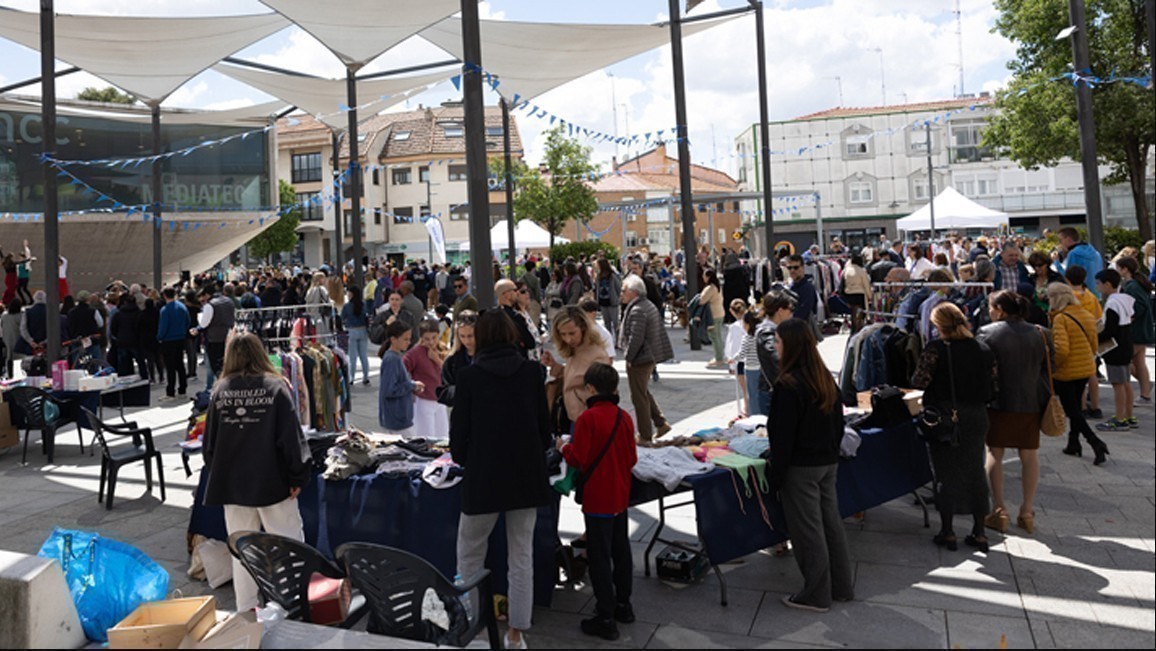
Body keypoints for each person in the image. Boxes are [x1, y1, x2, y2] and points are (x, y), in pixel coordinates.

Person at [450, 310, 552, 651]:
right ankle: (516, 635)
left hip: (483, 478)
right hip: (525, 477)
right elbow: (544, 430)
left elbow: (458, 440)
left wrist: (473, 459)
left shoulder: (469, 377)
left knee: (469, 557)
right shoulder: (532, 373)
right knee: (521, 557)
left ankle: (476, 630)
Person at [202, 332, 313, 613]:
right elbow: (290, 439)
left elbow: (209, 444)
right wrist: (298, 475)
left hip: (233, 484)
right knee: (288, 546)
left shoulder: (220, 389)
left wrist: (219, 471)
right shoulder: (275, 387)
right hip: (273, 481)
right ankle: (291, 603)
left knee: (242, 551)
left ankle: (246, 610)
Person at [768, 318, 854, 612]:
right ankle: (841, 586)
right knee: (830, 524)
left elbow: (782, 436)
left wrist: (776, 474)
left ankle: (816, 594)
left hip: (802, 467)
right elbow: (838, 423)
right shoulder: (822, 377)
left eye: (778, 342)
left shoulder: (789, 384)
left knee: (808, 531)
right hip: (827, 461)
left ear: (790, 345)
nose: (774, 347)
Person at [558, 363, 637, 641]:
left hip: (597, 498)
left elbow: (579, 458)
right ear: (615, 388)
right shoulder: (624, 417)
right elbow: (632, 458)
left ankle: (605, 616)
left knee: (600, 557)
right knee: (621, 550)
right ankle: (623, 606)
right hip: (620, 495)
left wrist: (563, 447)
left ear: (589, 389)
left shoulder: (587, 419)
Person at [912, 303, 998, 553]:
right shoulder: (983, 349)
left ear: (938, 325)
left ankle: (948, 531)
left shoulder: (937, 349)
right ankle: (979, 532)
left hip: (946, 416)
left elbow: (919, 380)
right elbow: (994, 387)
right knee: (975, 470)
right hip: (977, 416)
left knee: (946, 473)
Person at [977, 290, 1050, 535]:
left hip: (998, 402)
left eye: (990, 307)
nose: (988, 312)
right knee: (1029, 455)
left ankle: (999, 509)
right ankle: (1027, 512)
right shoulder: (1041, 333)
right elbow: (1053, 365)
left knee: (994, 453)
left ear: (999, 309)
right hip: (1031, 402)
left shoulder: (988, 333)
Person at [1045, 283, 1109, 464]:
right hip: (1085, 368)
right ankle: (1073, 443)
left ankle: (1095, 442)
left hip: (1067, 371)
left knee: (1072, 410)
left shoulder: (1060, 318)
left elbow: (1062, 350)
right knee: (1075, 407)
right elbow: (1094, 345)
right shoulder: (1086, 315)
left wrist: (1053, 364)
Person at [618, 275, 674, 442]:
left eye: (623, 290)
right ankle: (661, 423)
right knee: (643, 392)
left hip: (640, 359)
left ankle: (645, 435)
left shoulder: (637, 310)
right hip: (647, 357)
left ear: (633, 292)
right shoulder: (645, 305)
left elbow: (636, 338)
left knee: (638, 397)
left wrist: (628, 357)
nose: (621, 293)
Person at [542, 306, 612, 426]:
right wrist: (555, 366)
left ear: (583, 328)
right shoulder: (574, 350)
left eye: (572, 333)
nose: (568, 339)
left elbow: (605, 394)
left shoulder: (597, 356)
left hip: (588, 420)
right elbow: (574, 376)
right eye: (563, 334)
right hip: (574, 417)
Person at [1094, 269, 1135, 432]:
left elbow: (1110, 330)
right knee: (1126, 383)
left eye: (1098, 283)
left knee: (1118, 384)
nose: (1097, 287)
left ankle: (1119, 419)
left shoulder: (1112, 303)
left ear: (1107, 285)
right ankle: (1128, 415)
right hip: (1126, 345)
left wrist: (1095, 339)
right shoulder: (1124, 299)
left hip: (1115, 349)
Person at [1115, 256, 1154, 404]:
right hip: (1142, 330)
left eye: (1118, 268)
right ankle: (1145, 393)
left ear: (1124, 269)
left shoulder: (1132, 286)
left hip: (1135, 330)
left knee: (1124, 359)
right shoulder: (1137, 283)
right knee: (1139, 362)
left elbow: (1139, 306)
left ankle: (1145, 390)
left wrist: (1130, 317)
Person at [377, 321, 425, 438]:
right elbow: (389, 390)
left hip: (398, 418)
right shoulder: (392, 359)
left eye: (409, 339)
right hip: (397, 419)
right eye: (405, 339)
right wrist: (412, 385)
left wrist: (411, 387)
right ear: (393, 339)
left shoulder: (394, 357)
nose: (409, 342)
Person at [404, 320, 449, 438]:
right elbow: (400, 370)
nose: (431, 342)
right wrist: (411, 386)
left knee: (443, 438)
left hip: (441, 401)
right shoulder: (415, 353)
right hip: (424, 401)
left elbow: (450, 372)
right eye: (427, 338)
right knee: (426, 439)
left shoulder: (443, 349)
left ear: (439, 334)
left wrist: (437, 360)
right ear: (421, 338)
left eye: (434, 337)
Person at [191, 283, 236, 389]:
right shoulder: (228, 300)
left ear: (206, 294)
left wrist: (197, 329)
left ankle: (221, 387)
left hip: (214, 339)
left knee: (215, 366)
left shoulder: (209, 305)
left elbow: (204, 324)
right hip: (229, 337)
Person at [436, 310, 477, 408]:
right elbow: (444, 390)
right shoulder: (451, 360)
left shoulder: (488, 356)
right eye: (462, 336)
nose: (466, 341)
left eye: (470, 336)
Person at [157, 287, 189, 400]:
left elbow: (163, 327)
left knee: (170, 367)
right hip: (180, 339)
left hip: (168, 340)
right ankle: (182, 389)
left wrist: (159, 337)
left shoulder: (165, 310)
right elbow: (187, 321)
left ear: (165, 296)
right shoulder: (182, 307)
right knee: (180, 365)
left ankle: (170, 391)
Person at [110, 294, 148, 379]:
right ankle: (144, 378)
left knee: (123, 364)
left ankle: (123, 380)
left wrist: (118, 336)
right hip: (136, 341)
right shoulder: (139, 313)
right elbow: (142, 328)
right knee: (140, 362)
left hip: (122, 341)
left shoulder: (118, 314)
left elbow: (113, 328)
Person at [496, 279, 537, 358]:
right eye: (514, 290)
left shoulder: (492, 316)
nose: (517, 292)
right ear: (506, 294)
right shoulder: (515, 317)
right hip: (517, 359)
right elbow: (530, 342)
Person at [340, 285, 372, 386]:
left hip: (351, 331)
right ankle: (366, 377)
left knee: (352, 357)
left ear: (352, 294)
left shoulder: (347, 306)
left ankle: (351, 378)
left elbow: (342, 318)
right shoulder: (364, 305)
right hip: (363, 331)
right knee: (363, 356)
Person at [1058, 227, 1103, 295]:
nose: (1060, 243)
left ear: (1068, 239)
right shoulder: (1096, 253)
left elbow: (1068, 277)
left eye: (1060, 240)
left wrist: (1056, 263)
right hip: (1098, 293)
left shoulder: (1073, 254)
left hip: (1081, 294)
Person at [698, 268, 727, 368]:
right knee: (718, 336)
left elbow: (701, 300)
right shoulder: (718, 286)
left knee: (714, 337)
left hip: (713, 315)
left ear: (709, 277)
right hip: (720, 313)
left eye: (704, 275)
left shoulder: (710, 288)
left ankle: (719, 358)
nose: (703, 277)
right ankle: (721, 356)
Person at [841, 253, 872, 333]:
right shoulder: (861, 271)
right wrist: (869, 296)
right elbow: (866, 284)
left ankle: (853, 329)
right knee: (859, 315)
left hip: (848, 295)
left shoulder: (846, 270)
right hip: (859, 295)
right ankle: (857, 329)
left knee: (853, 314)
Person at [594, 259, 622, 345]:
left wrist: (618, 298)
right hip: (603, 301)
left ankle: (618, 341)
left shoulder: (612, 275)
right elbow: (597, 288)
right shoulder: (599, 275)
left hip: (612, 301)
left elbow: (619, 287)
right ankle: (609, 341)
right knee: (606, 322)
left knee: (615, 322)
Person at [1, 298, 22, 378]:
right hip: (17, 337)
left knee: (9, 357)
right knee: (20, 356)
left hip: (6, 338)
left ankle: (10, 374)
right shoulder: (20, 316)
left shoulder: (4, 315)